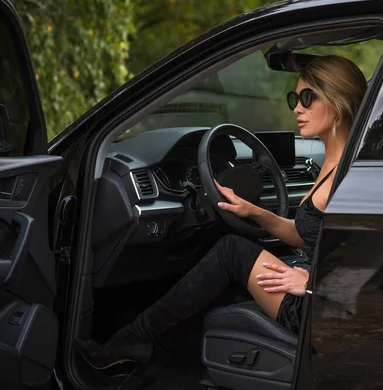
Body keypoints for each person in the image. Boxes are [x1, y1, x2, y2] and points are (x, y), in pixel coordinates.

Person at [74, 55, 367, 385]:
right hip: (313, 286)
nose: (296, 108)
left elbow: (374, 254)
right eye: (293, 98)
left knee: (229, 252)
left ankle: (128, 347)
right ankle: (149, 359)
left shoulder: (349, 176)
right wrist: (255, 212)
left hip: (317, 310)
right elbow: (306, 235)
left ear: (337, 98)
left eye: (307, 98)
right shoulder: (333, 159)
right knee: (228, 259)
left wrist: (314, 283)